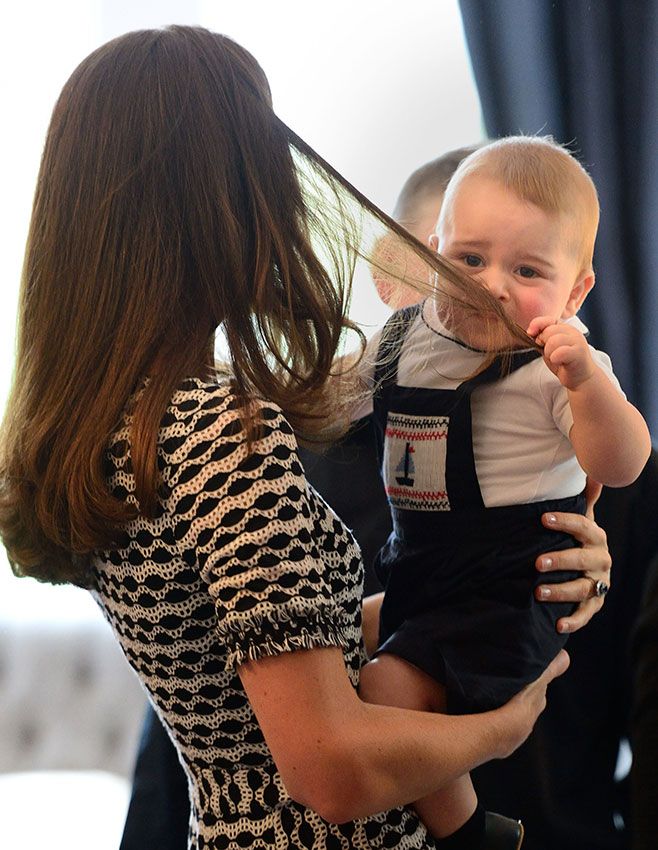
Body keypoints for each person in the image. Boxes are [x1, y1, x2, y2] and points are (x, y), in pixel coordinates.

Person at [0, 28, 616, 850]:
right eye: (263, 160)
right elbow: (328, 769)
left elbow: (256, 656)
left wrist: (508, 576)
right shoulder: (219, 429)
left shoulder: (131, 422)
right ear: (217, 197)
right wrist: (500, 728)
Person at [356, 136, 651, 849]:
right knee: (373, 671)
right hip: (362, 807)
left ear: (573, 290)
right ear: (410, 268)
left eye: (524, 268)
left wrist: (588, 386)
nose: (487, 287)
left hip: (548, 805)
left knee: (395, 683)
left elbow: (622, 457)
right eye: (465, 262)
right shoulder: (388, 366)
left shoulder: (559, 378)